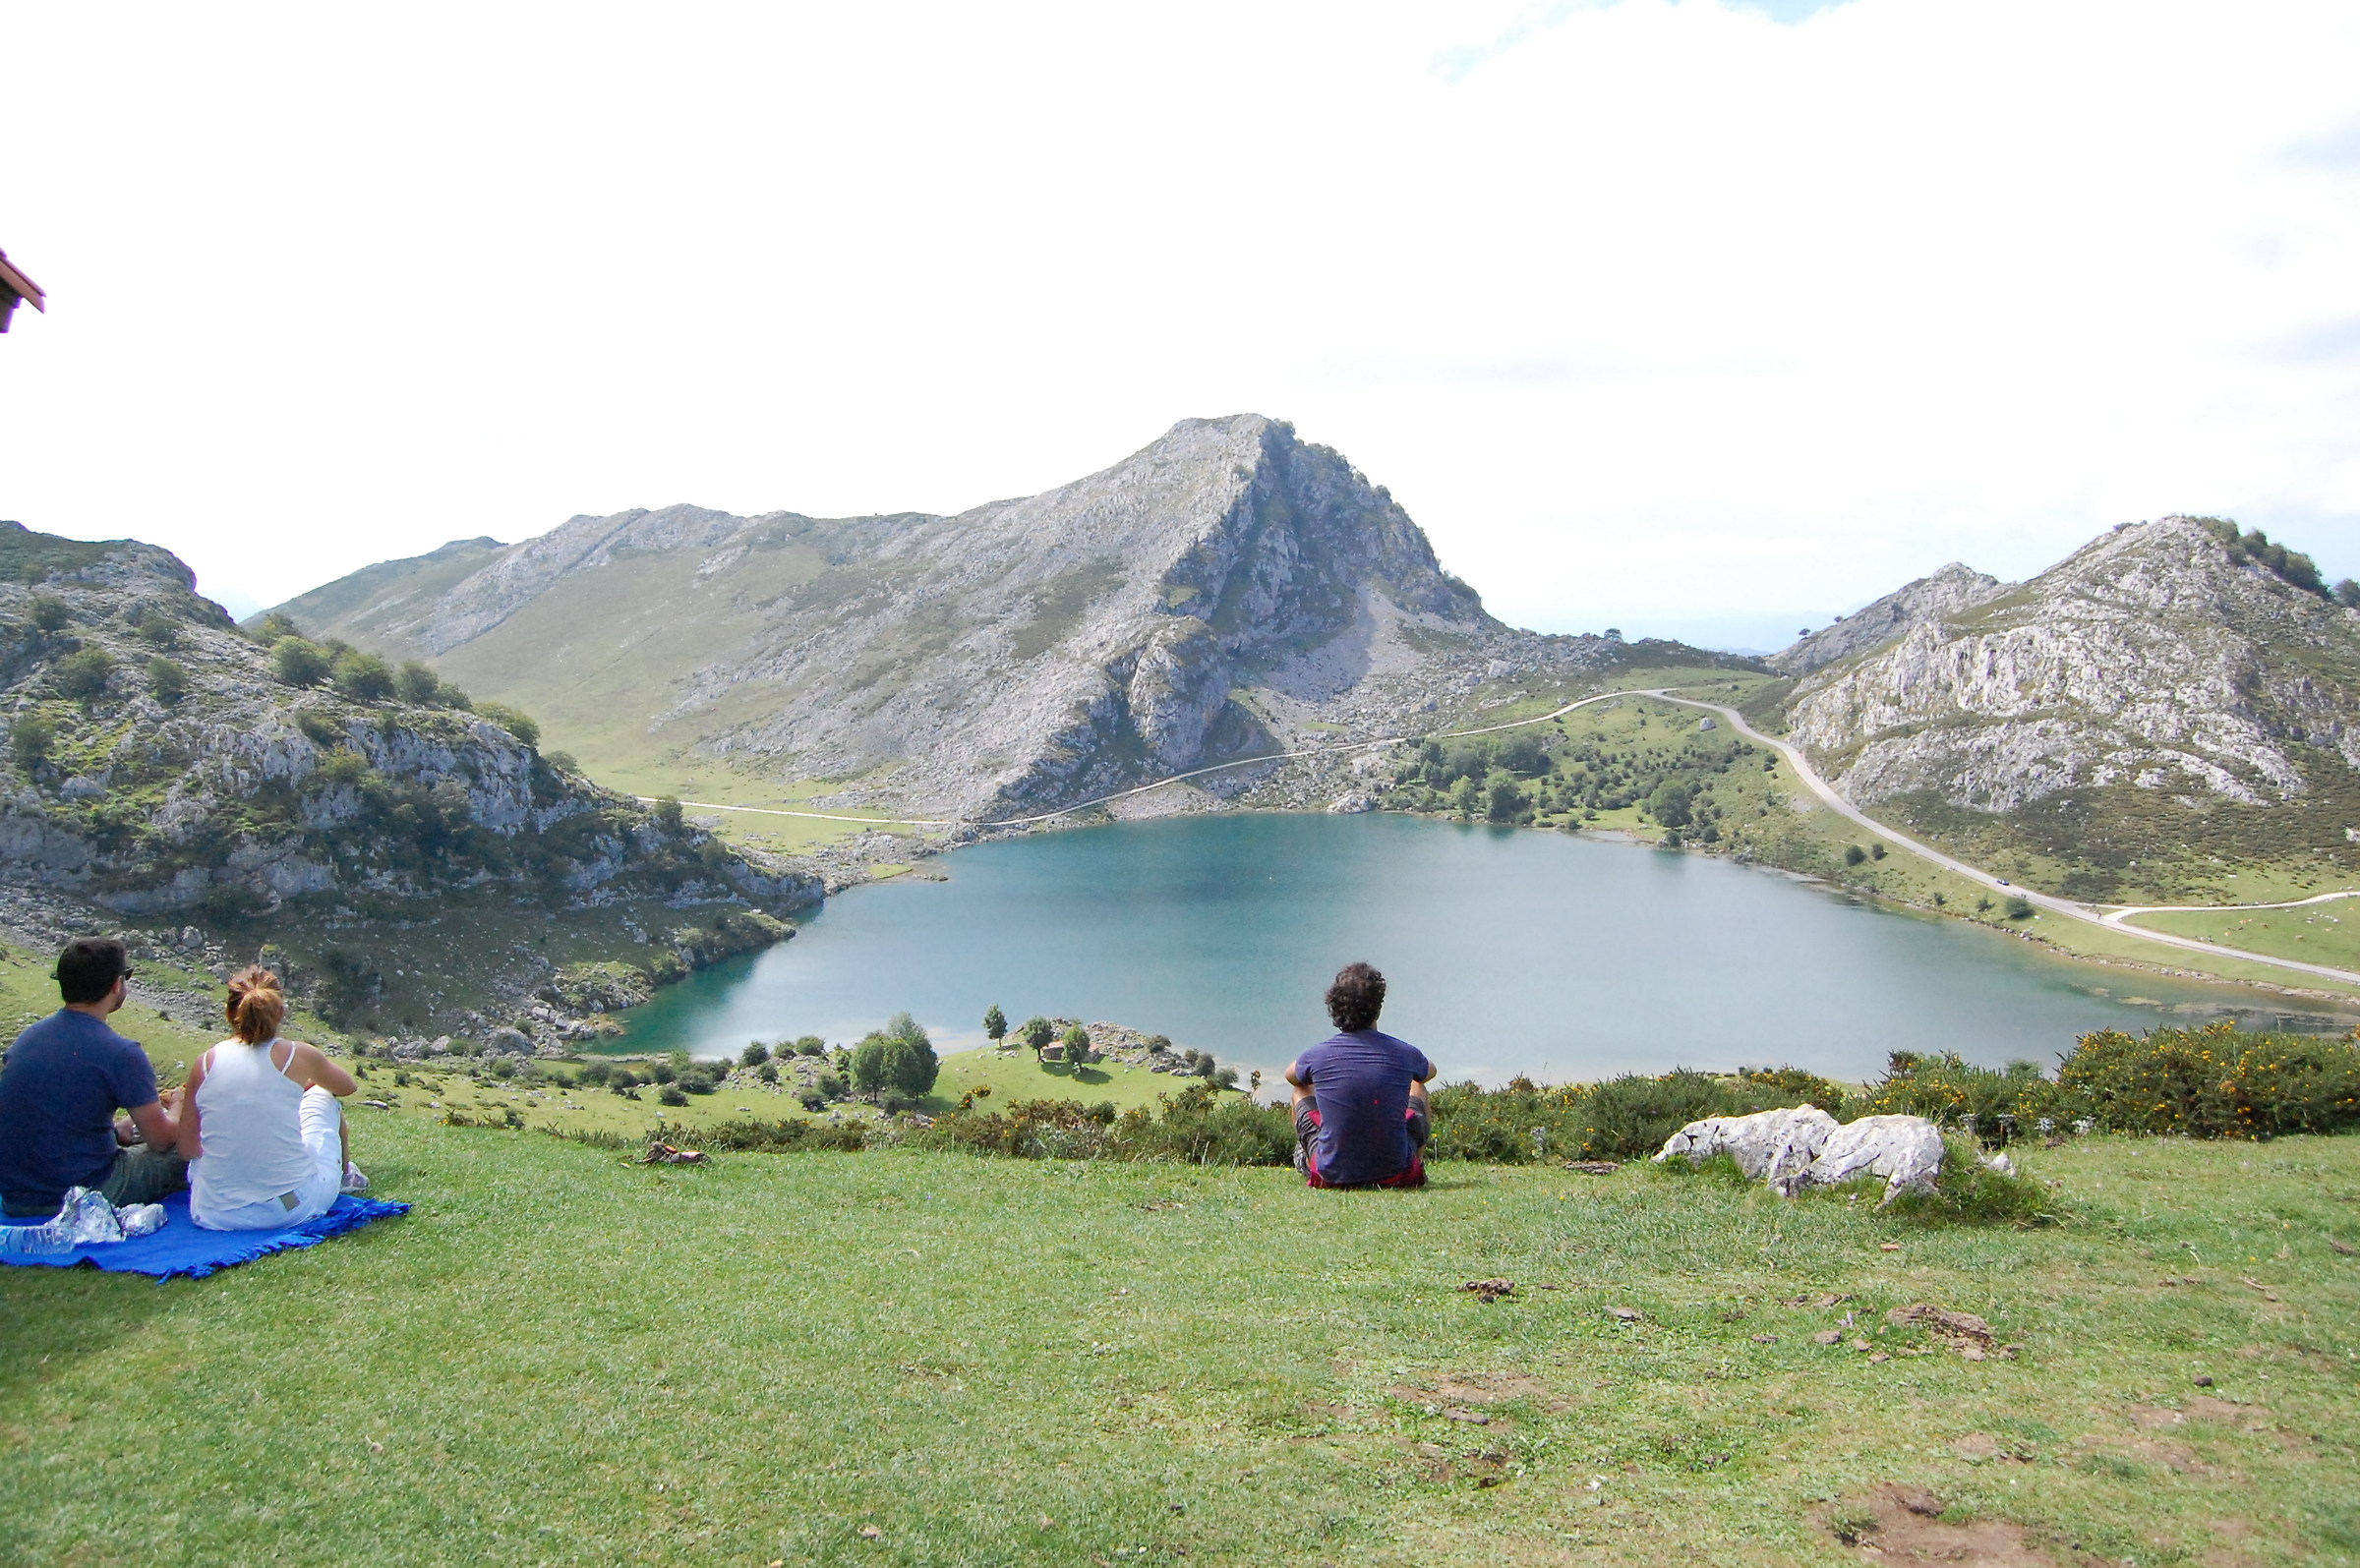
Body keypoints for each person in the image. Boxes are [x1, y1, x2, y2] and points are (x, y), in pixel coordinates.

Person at [0, 937, 187, 1220]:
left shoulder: (27, 1040)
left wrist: (114, 1130)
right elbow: (162, 1140)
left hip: (18, 1197)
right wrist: (179, 1106)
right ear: (115, 984)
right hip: (83, 1194)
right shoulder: (122, 1053)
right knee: (189, 1146)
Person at [180, 966, 365, 1231]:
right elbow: (346, 1086)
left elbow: (187, 1149)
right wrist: (305, 1082)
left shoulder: (206, 1063)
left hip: (212, 1212)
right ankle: (346, 1175)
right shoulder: (296, 1054)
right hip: (286, 1208)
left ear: (230, 1012)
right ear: (280, 1010)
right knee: (323, 1095)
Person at [1286, 961, 1435, 1190]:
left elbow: (1291, 1077)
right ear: (1378, 1007)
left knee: (1300, 1090)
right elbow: (1429, 1072)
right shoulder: (1405, 1052)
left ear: (1335, 1008)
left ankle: (1309, 1158)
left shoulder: (1316, 1054)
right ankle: (1416, 1164)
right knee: (1418, 1087)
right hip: (1394, 1172)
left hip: (1332, 1175)